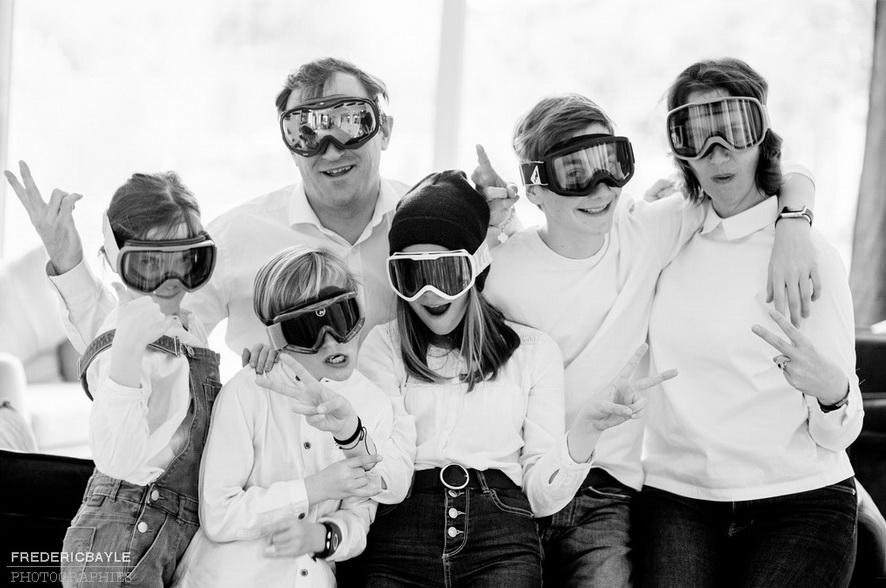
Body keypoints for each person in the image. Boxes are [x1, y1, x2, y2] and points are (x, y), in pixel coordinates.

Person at [472, 93, 818, 587]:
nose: (600, 188)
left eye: (610, 163)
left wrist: (794, 223)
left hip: (606, 488)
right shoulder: (502, 271)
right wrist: (488, 223)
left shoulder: (648, 229)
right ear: (535, 187)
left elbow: (777, 170)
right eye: (575, 172)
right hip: (517, 482)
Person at [354, 170, 676, 587]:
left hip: (500, 542)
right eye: (411, 277)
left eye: (446, 272)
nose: (429, 294)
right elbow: (391, 481)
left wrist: (585, 431)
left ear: (476, 266)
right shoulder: (384, 346)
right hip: (400, 536)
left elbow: (541, 497)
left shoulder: (532, 352)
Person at [6, 57, 405, 362]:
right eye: (306, 132)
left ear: (383, 130)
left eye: (351, 123)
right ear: (289, 146)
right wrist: (70, 264)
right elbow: (143, 342)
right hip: (274, 458)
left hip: (409, 456)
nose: (331, 148)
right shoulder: (237, 237)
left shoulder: (425, 223)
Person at [637, 57, 862, 588]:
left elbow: (840, 432)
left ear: (762, 137)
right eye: (696, 135)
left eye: (735, 130)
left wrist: (831, 390)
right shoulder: (666, 238)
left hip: (801, 500)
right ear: (680, 152)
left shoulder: (807, 255)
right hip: (679, 499)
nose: (719, 153)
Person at [172, 246, 414, 587]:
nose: (330, 343)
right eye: (306, 329)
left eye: (340, 317)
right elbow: (220, 514)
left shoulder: (372, 405)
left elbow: (360, 513)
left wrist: (326, 537)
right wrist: (313, 489)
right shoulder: (249, 391)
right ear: (279, 338)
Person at [57, 172, 219, 587]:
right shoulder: (122, 336)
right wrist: (128, 350)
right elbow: (118, 459)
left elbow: (85, 306)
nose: (171, 281)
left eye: (186, 261)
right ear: (115, 260)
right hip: (120, 533)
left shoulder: (187, 326)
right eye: (148, 263)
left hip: (172, 533)